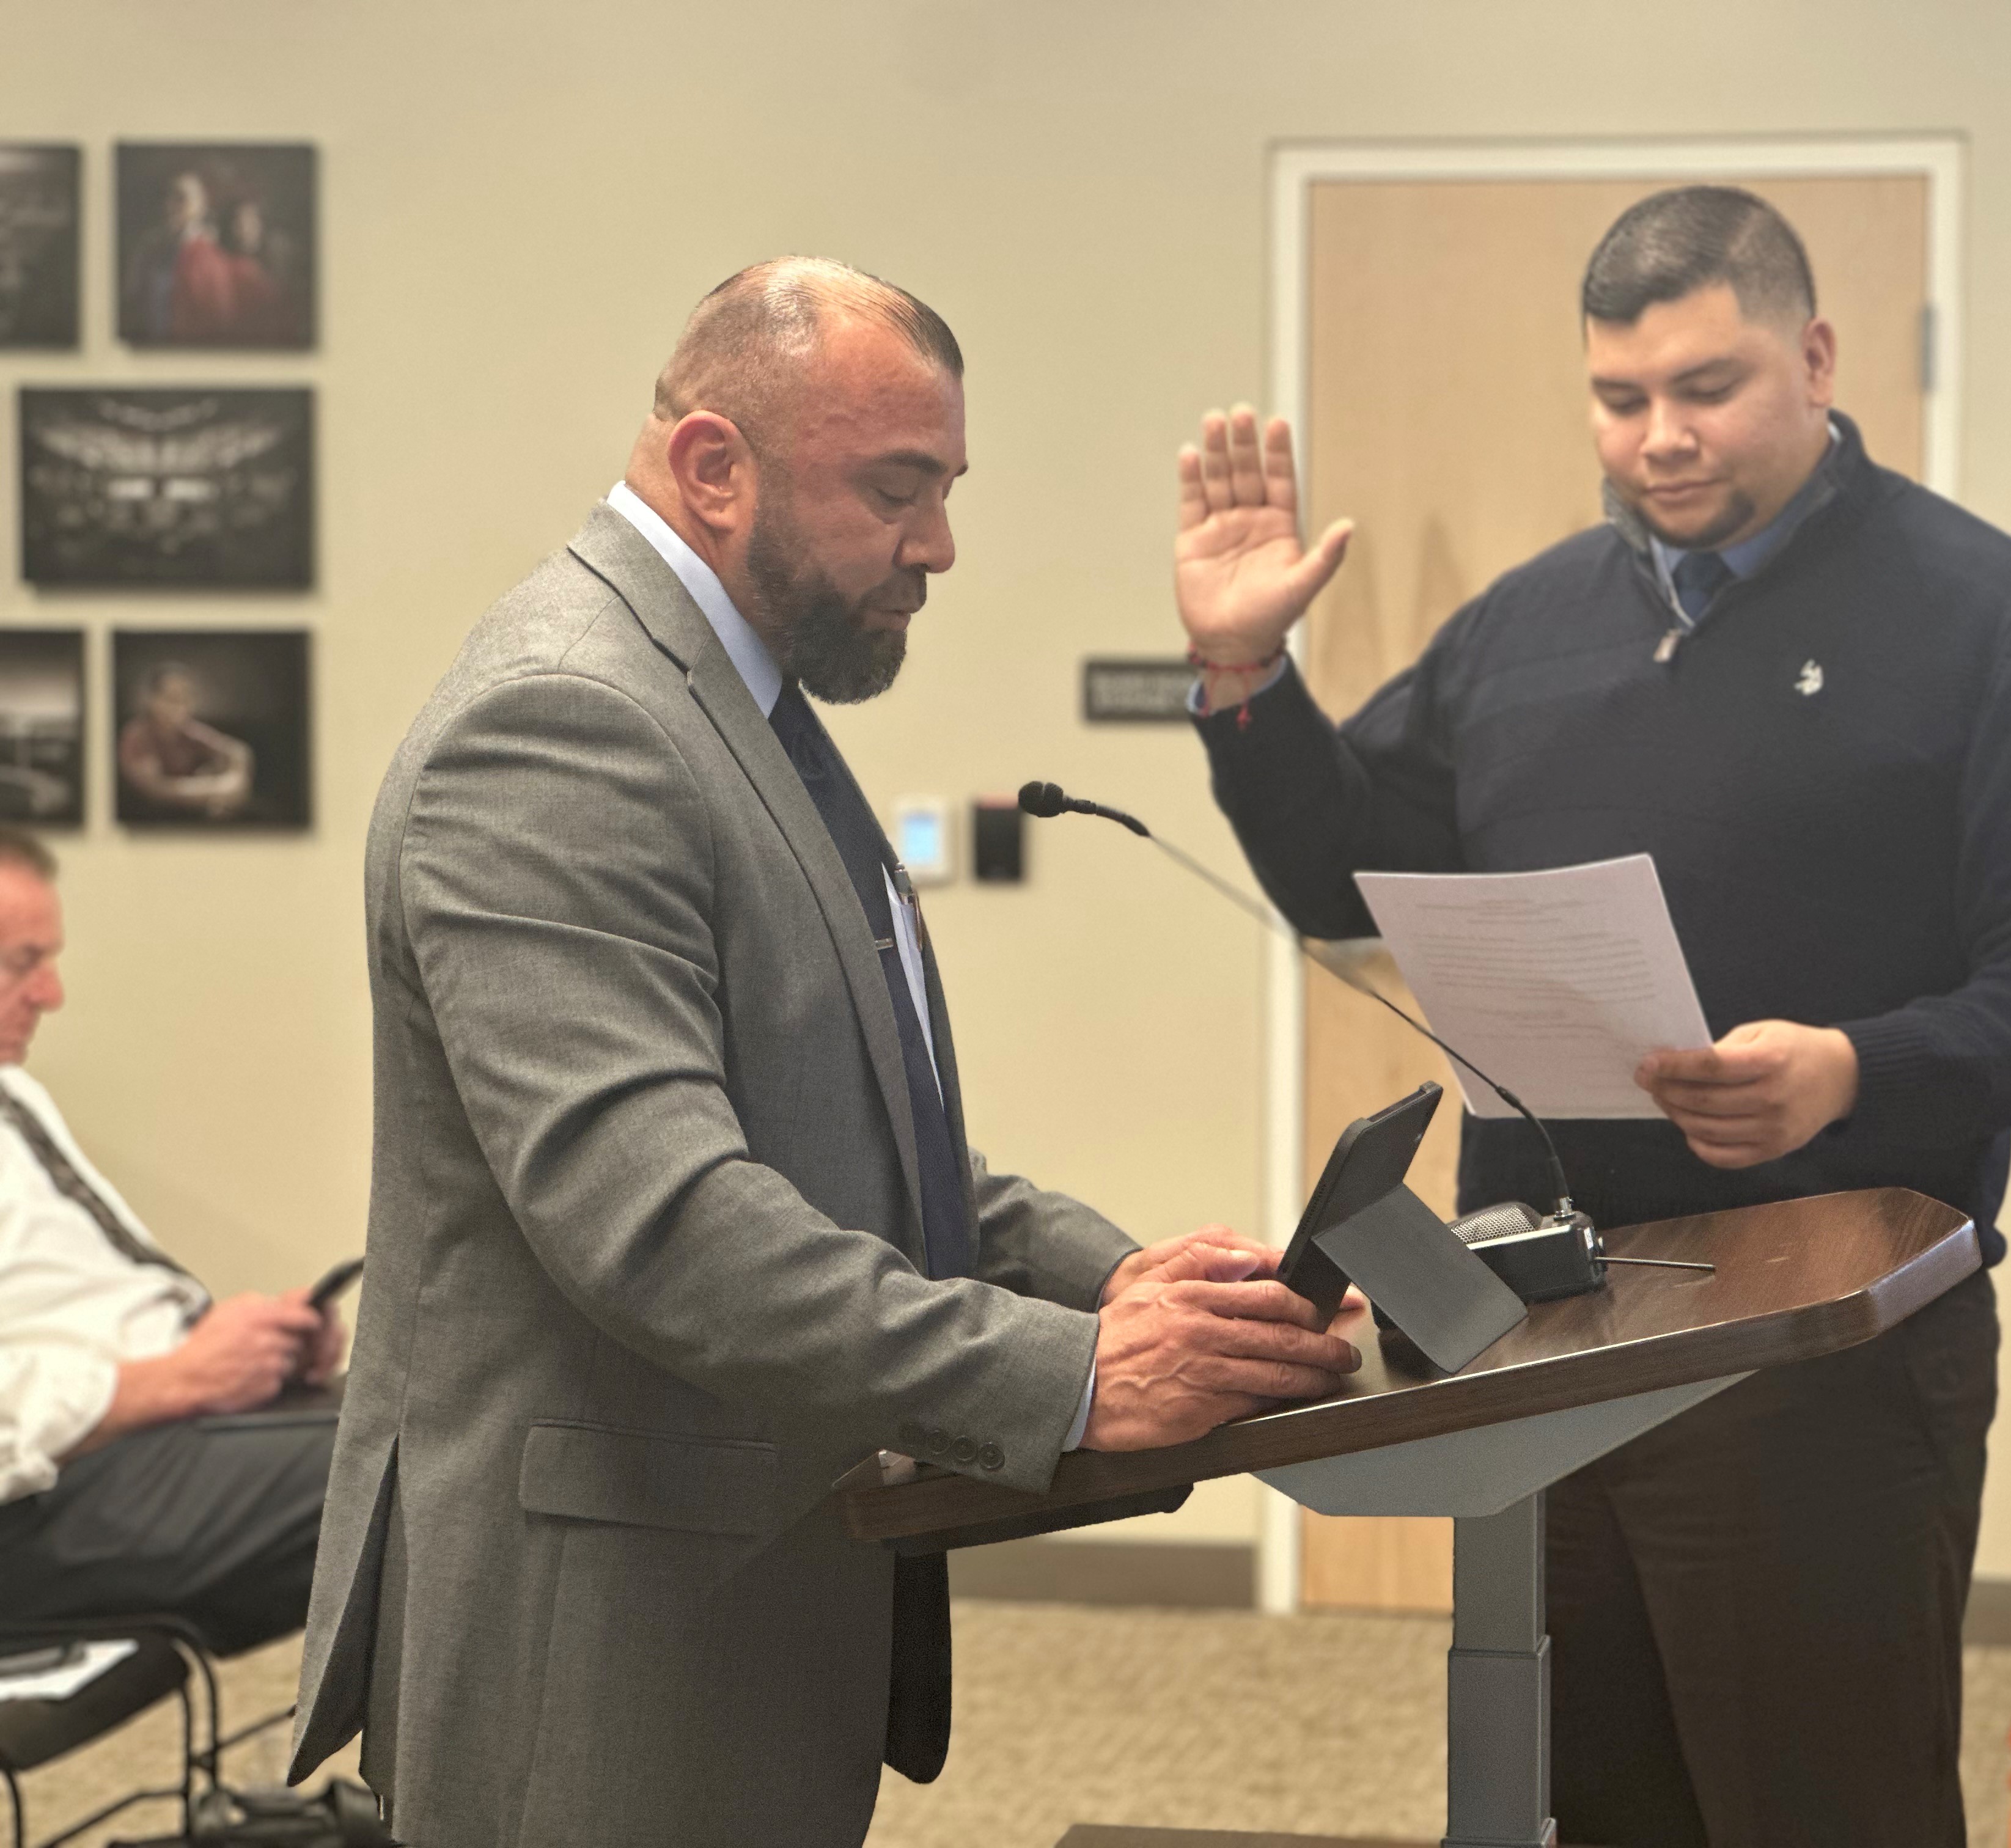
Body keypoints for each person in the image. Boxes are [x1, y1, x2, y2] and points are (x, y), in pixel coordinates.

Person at [286, 257, 1361, 1848]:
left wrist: (1125, 1283)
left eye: (944, 488)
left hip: (741, 1563)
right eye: (898, 490)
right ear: (715, 466)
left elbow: (871, 1140)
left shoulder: (739, 704)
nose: (939, 544)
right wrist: (1070, 1376)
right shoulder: (562, 722)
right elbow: (659, 1222)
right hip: (599, 1612)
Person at [1172, 186, 2011, 1846]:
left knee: (1818, 1810)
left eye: (1707, 388)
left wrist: (1853, 1069)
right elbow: (1345, 883)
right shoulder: (1525, 627)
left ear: (1818, 359)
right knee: (1594, 1801)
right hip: (1544, 1336)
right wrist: (1246, 689)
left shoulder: (1994, 625)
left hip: (1823, 1350)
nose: (1661, 441)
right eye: (1620, 400)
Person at [0, 827, 345, 1656]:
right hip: (47, 1502)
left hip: (139, 1443)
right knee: (443, 1463)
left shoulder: (16, 1098)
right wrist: (176, 1380)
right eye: (19, 962)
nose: (51, 994)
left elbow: (81, 1302)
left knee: (462, 1414)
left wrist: (242, 1349)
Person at [116, 663, 254, 821]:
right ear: (152, 700)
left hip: (191, 817)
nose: (177, 707)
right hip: (144, 823)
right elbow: (155, 791)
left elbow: (237, 751)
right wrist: (216, 789)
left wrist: (236, 778)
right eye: (170, 698)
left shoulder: (188, 731)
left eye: (184, 699)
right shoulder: (137, 735)